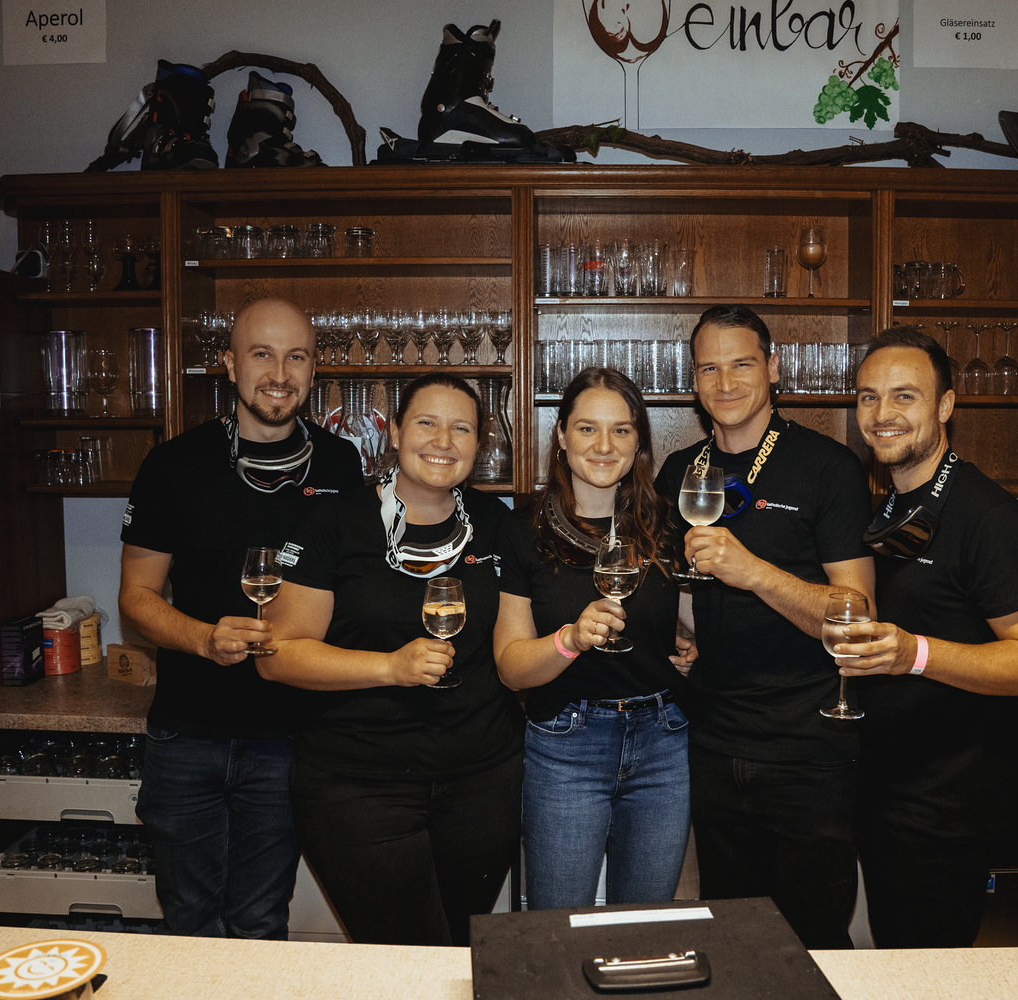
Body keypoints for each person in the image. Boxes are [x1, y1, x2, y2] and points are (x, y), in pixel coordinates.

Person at [118, 297, 364, 938]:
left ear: (314, 369)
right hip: (187, 736)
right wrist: (203, 638)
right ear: (229, 364)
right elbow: (136, 597)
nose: (279, 374)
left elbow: (355, 591)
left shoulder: (342, 465)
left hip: (290, 738)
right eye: (262, 354)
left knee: (260, 922)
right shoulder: (174, 464)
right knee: (190, 922)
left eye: (296, 356)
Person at [257, 373, 523, 947]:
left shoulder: (498, 524)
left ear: (478, 444)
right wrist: (388, 668)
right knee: (407, 959)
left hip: (482, 784)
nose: (443, 441)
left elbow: (525, 635)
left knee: (459, 955)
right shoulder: (335, 522)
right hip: (358, 787)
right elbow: (277, 655)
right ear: (396, 432)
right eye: (427, 423)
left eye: (462, 429)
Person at [652, 304, 875, 950]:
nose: (725, 383)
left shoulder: (828, 467)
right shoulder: (679, 472)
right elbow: (681, 593)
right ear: (694, 379)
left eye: (742, 364)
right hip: (712, 743)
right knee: (733, 943)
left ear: (774, 368)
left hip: (808, 750)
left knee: (812, 941)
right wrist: (681, 633)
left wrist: (753, 572)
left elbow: (859, 613)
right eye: (709, 368)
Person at [836, 325, 1018, 948]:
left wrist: (915, 653)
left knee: (928, 975)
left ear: (945, 406)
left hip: (948, 810)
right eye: (868, 396)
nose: (882, 414)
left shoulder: (991, 519)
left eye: (904, 396)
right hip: (887, 791)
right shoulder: (890, 506)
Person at [494, 367, 695, 910]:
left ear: (639, 441)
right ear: (561, 435)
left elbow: (691, 620)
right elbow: (511, 667)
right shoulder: (523, 528)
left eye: (621, 430)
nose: (604, 446)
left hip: (663, 740)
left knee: (644, 927)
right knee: (558, 926)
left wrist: (695, 643)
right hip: (567, 743)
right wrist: (570, 639)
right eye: (587, 428)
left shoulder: (666, 523)